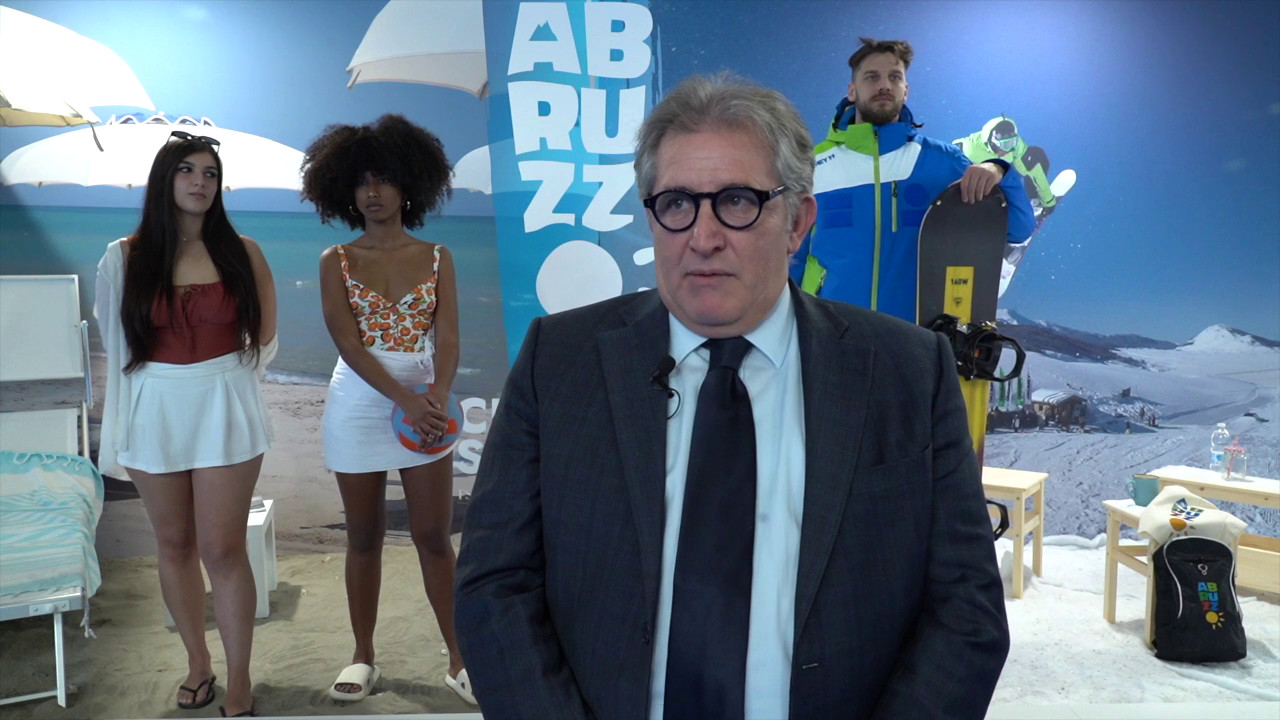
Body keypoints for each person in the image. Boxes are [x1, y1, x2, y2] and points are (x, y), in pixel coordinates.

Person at [455, 74, 1009, 720]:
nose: (703, 236)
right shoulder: (557, 362)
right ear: (652, 217)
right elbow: (495, 586)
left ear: (797, 222)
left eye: (738, 201)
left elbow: (967, 609)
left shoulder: (908, 373)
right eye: (677, 204)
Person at [95, 130, 278, 718]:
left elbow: (264, 338)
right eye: (188, 171)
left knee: (223, 548)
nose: (201, 182)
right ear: (165, 180)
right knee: (174, 544)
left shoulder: (243, 251)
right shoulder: (123, 256)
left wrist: (223, 379)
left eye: (211, 173)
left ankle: (240, 677)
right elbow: (117, 342)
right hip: (155, 407)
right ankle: (198, 664)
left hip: (225, 405)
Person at [299, 114, 475, 706]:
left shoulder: (439, 256)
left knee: (433, 537)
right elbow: (348, 344)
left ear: (409, 185)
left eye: (384, 179)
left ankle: (460, 659)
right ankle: (363, 655)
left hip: (426, 404)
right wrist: (408, 402)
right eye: (361, 182)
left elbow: (449, 338)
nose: (372, 192)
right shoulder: (335, 260)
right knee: (364, 536)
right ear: (345, 190)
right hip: (359, 403)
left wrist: (436, 395)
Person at [792, 37, 1036, 323]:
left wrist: (999, 170)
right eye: (872, 77)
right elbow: (792, 257)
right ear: (852, 91)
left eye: (895, 77)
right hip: (832, 335)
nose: (884, 85)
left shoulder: (942, 161)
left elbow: (1019, 229)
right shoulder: (814, 166)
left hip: (916, 339)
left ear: (905, 90)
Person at [955, 116, 1058, 222]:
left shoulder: (1016, 147)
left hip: (1004, 171)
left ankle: (1033, 199)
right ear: (993, 142)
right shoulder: (971, 149)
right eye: (1006, 144)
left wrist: (1048, 201)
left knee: (1035, 155)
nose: (1010, 149)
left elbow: (1034, 171)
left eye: (1013, 142)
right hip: (981, 177)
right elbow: (950, 155)